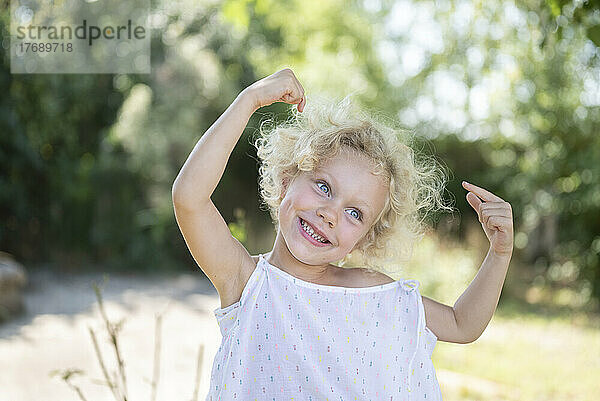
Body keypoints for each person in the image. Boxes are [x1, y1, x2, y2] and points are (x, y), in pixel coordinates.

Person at [172, 68, 514, 400]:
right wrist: (249, 100)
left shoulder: (374, 294)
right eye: (323, 187)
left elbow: (461, 324)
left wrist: (499, 254)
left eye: (355, 213)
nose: (330, 214)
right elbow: (189, 198)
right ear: (287, 181)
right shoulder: (246, 282)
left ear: (364, 239)